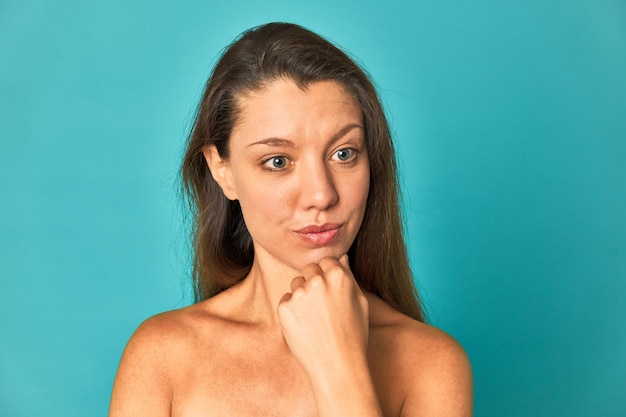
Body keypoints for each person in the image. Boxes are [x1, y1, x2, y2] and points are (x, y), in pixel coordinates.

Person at [109, 22, 472, 417]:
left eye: (344, 153)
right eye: (278, 161)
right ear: (222, 171)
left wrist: (341, 369)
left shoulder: (432, 364)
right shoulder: (161, 356)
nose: (322, 194)